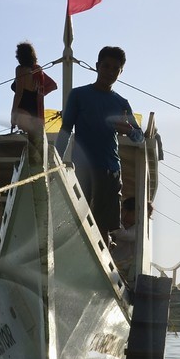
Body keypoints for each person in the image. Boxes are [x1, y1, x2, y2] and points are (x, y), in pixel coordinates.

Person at [56, 45, 143, 235]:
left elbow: (139, 138)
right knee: (77, 223)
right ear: (97, 66)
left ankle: (105, 255)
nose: (110, 72)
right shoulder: (78, 95)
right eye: (106, 66)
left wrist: (128, 129)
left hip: (110, 172)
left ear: (121, 72)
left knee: (103, 228)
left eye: (115, 69)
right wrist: (56, 161)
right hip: (82, 170)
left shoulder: (121, 103)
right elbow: (65, 130)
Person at [9, 41, 56, 136]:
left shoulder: (20, 70)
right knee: (33, 139)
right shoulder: (37, 70)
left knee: (25, 138)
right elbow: (53, 85)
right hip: (35, 109)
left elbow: (19, 93)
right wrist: (41, 93)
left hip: (23, 107)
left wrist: (13, 113)